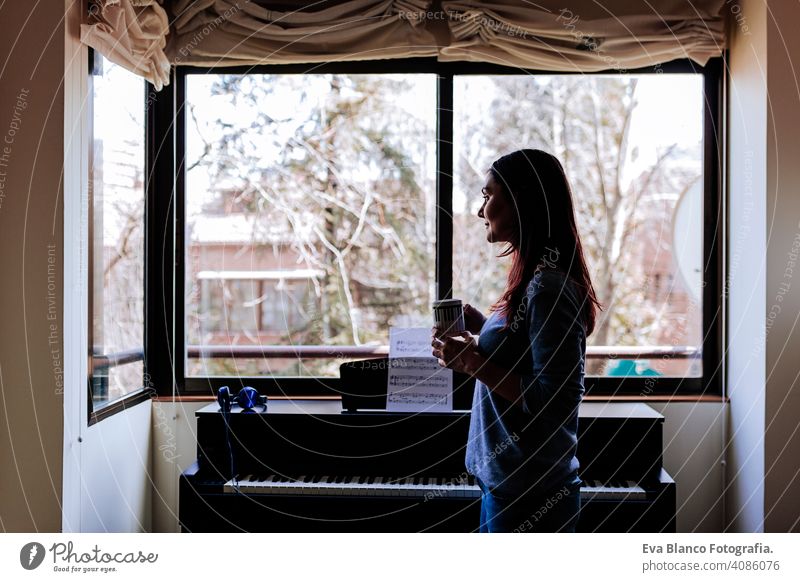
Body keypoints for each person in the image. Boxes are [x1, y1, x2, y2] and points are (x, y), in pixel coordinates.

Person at [431, 149, 600, 533]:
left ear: (520, 201)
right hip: (509, 488)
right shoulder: (535, 281)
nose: (480, 211)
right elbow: (526, 351)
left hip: (528, 496)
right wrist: (485, 326)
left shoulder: (547, 287)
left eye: (487, 196)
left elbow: (554, 400)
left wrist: (471, 362)